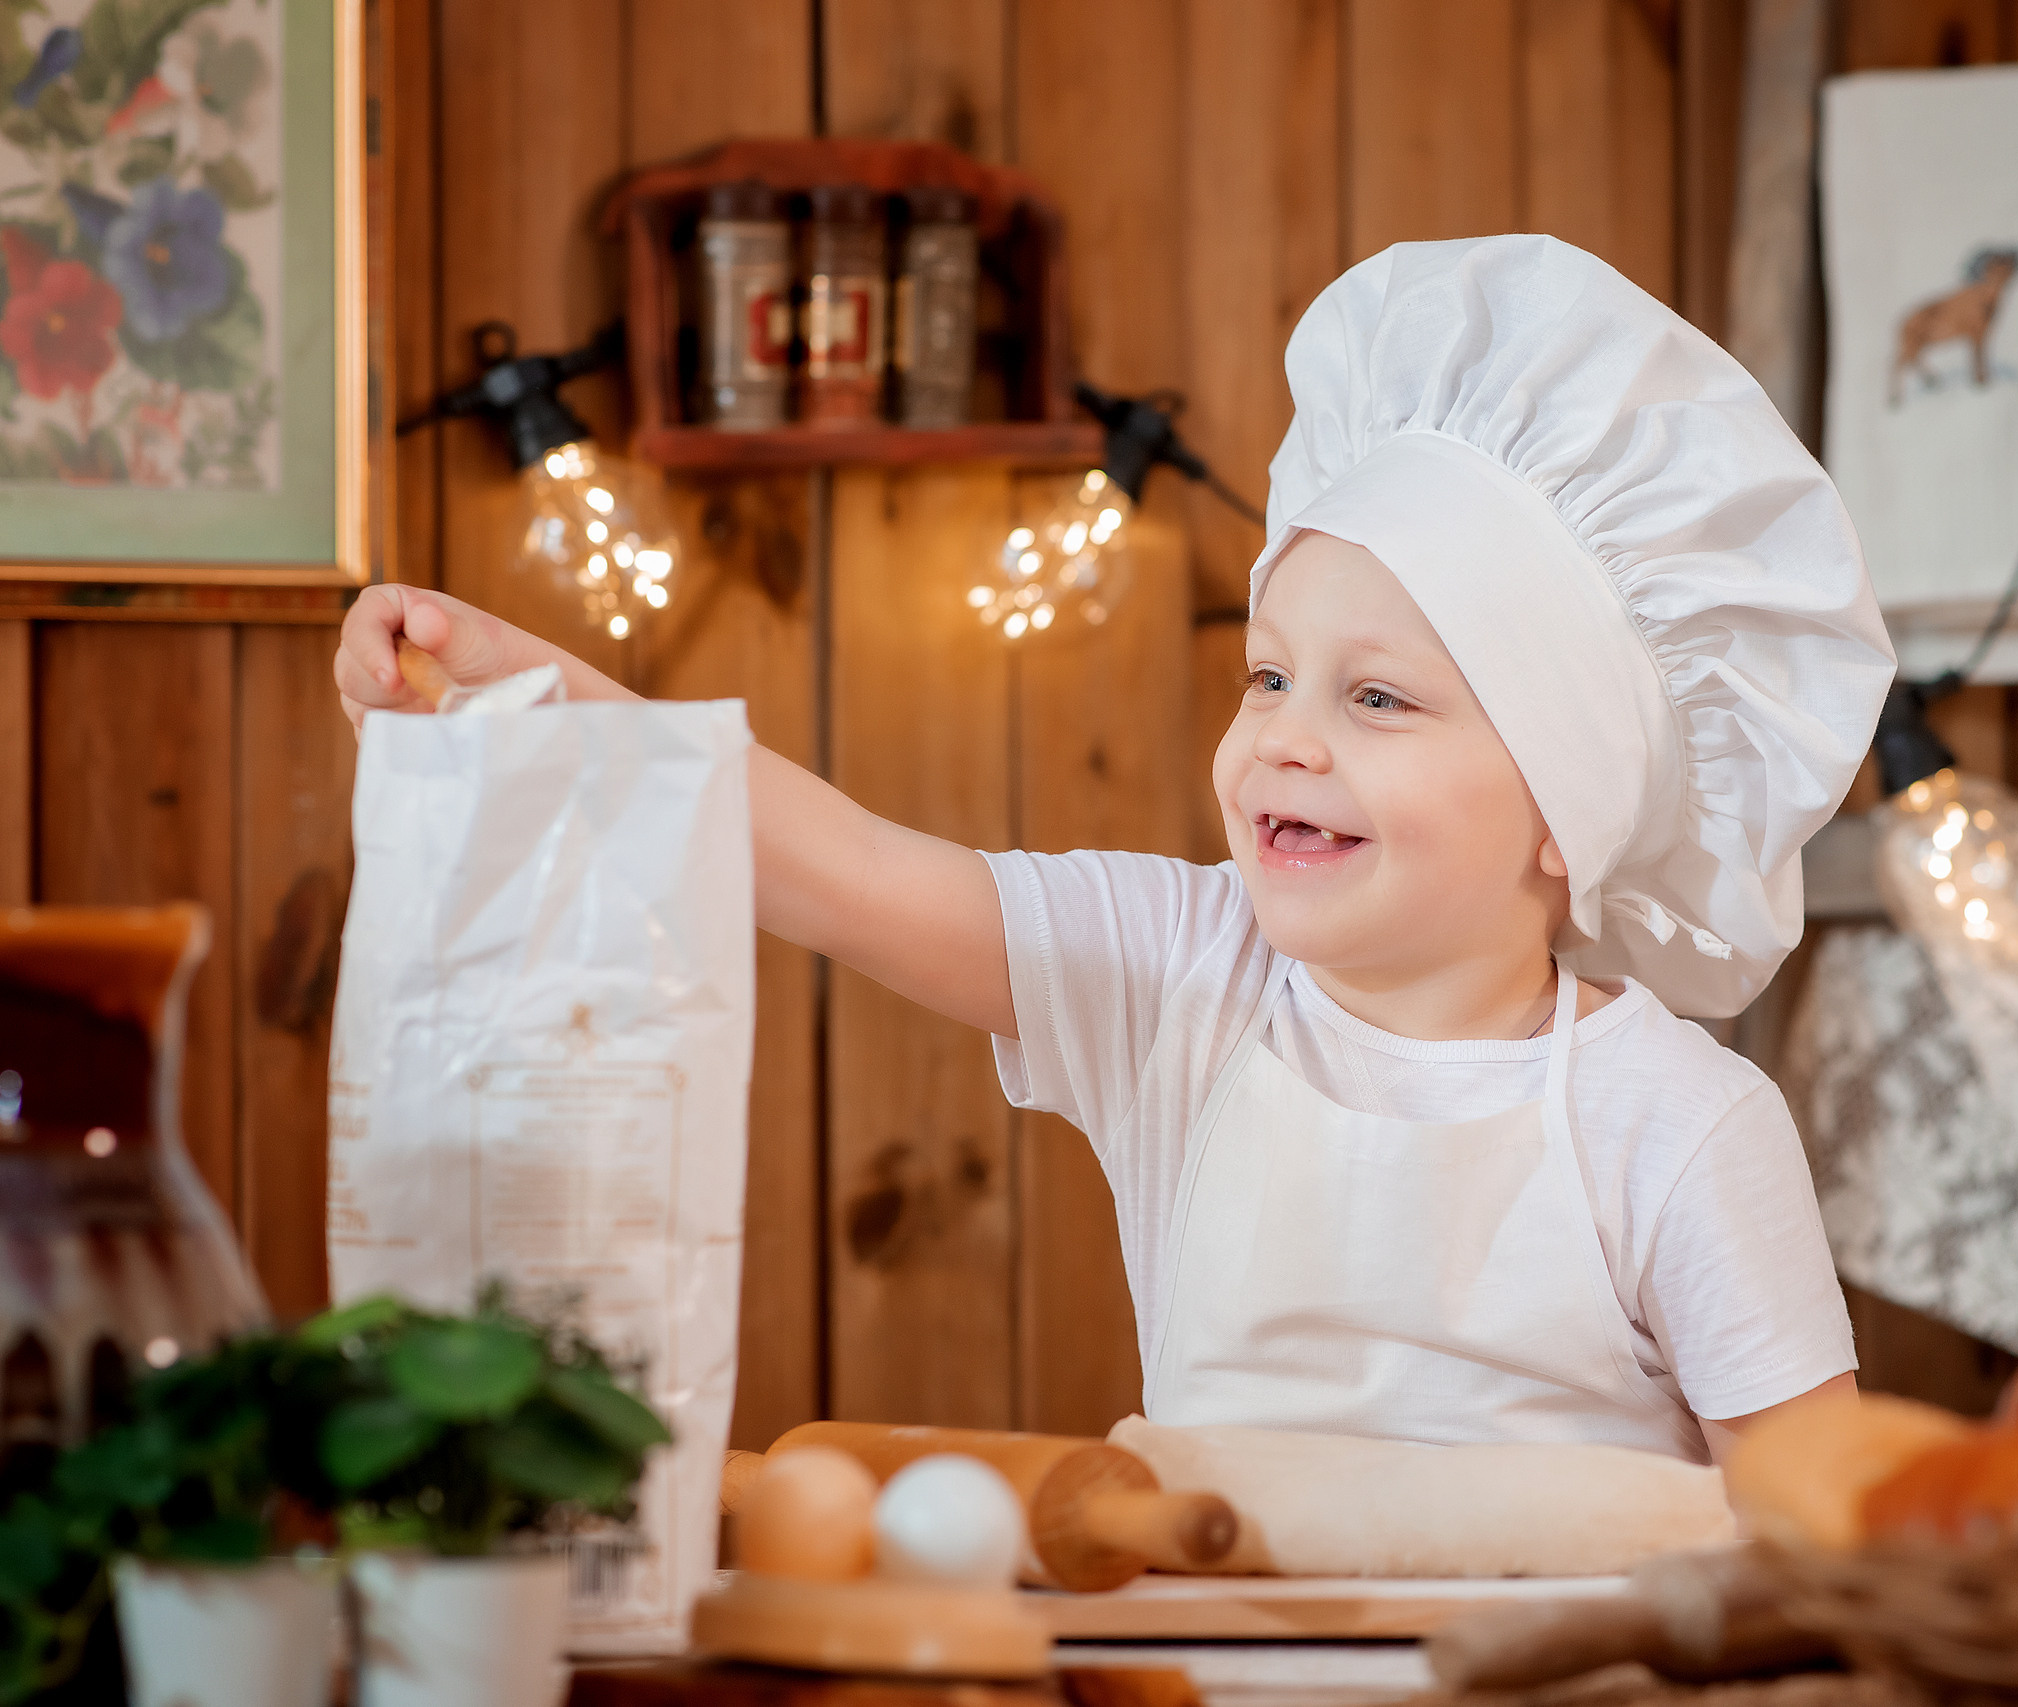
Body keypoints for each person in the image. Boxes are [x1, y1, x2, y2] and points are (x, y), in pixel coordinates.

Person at [336, 236, 1896, 1464]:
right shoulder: (1178, 985)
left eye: (1377, 697)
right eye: (1269, 675)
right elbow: (839, 866)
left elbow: (1817, 1528)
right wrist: (519, 696)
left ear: (1569, 813)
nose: (1288, 735)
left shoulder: (1678, 1131)